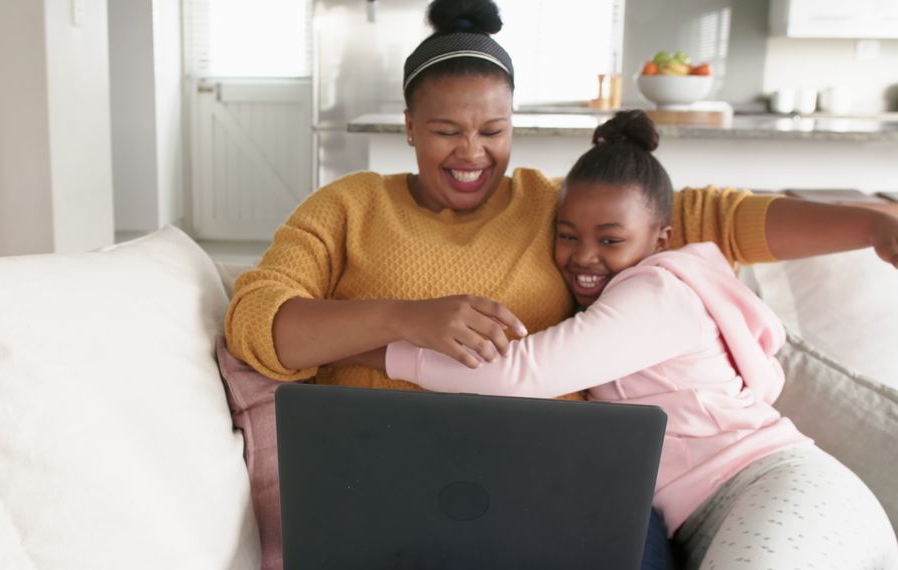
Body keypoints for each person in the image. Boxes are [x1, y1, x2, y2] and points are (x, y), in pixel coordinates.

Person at [225, 0, 898, 565]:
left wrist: (871, 225)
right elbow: (257, 323)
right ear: (406, 127)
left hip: (558, 483)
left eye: (493, 130)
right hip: (382, 478)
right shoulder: (348, 206)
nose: (471, 152)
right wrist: (405, 317)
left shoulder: (558, 210)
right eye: (444, 131)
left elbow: (705, 217)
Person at [378, 109, 898, 569]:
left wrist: (378, 346)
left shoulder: (657, 291)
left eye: (610, 239)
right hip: (713, 517)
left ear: (660, 239)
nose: (584, 256)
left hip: (780, 490)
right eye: (567, 234)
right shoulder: (607, 308)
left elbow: (518, 374)